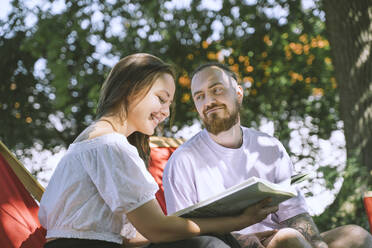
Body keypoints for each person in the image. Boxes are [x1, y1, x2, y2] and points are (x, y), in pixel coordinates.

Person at [38, 53, 279, 248]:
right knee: (207, 245)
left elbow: (135, 236)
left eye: (169, 103)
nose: (165, 111)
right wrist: (239, 220)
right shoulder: (109, 145)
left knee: (213, 240)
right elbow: (157, 228)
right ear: (131, 89)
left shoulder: (91, 141)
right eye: (161, 98)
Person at [163, 62, 372, 248]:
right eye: (199, 97)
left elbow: (294, 213)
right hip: (227, 244)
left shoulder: (269, 147)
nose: (209, 101)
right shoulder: (182, 161)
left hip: (279, 238)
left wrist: (318, 244)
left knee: (355, 235)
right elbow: (185, 234)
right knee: (288, 238)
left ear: (238, 93)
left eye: (216, 90)